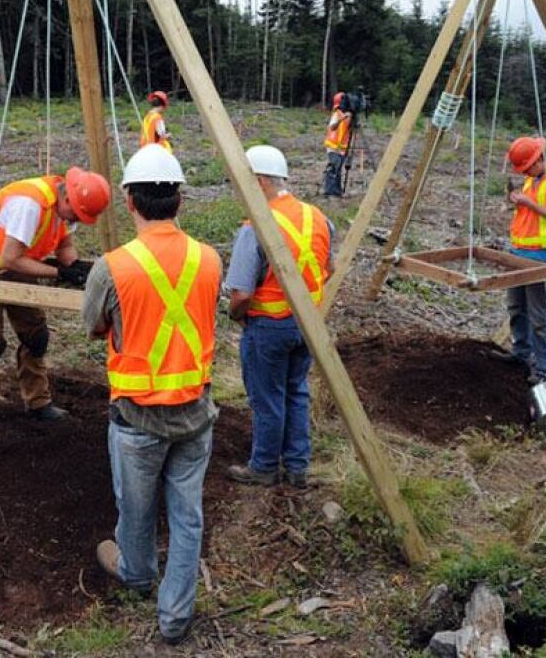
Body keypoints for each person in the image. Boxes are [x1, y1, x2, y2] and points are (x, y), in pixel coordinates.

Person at [83, 144, 221, 645]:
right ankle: (175, 617)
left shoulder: (112, 267)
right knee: (188, 518)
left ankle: (137, 576)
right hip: (194, 413)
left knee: (135, 511)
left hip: (138, 420)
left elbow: (93, 326)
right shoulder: (210, 259)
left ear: (128, 201)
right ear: (180, 200)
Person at [0, 167, 111, 435]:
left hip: (18, 259)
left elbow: (63, 244)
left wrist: (74, 266)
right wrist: (58, 273)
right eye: (76, 214)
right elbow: (9, 259)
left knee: (36, 336)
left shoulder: (64, 205)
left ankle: (38, 401)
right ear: (67, 200)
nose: (76, 220)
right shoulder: (29, 205)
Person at [224, 146, 334, 488]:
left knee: (267, 398)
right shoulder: (318, 217)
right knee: (296, 392)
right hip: (307, 325)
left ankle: (264, 466)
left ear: (258, 182)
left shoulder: (255, 225)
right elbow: (327, 269)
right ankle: (297, 467)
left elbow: (241, 293)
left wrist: (235, 314)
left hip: (268, 328)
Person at [503, 136, 546, 385]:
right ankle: (521, 353)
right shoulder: (531, 179)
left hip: (540, 258)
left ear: (537, 160)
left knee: (538, 315)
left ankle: (544, 366)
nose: (525, 173)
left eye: (526, 168)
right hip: (519, 252)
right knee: (516, 308)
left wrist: (529, 204)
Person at [322, 92, 352, 197]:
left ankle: (337, 191)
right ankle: (329, 192)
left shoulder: (348, 115)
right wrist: (341, 120)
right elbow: (332, 127)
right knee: (333, 169)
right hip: (333, 146)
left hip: (341, 148)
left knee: (338, 170)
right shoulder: (337, 114)